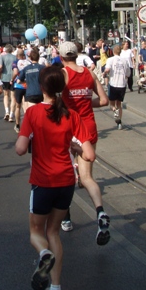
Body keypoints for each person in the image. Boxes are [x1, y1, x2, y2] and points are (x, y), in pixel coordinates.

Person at [15, 66, 95, 290]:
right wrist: (76, 147)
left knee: (36, 232)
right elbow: (90, 154)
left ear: (41, 87)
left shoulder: (33, 113)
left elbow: (19, 149)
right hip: (65, 182)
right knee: (54, 232)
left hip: (42, 181)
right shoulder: (72, 115)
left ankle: (43, 255)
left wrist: (28, 137)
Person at [59, 41, 110, 241]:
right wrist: (85, 101)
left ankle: (67, 218)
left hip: (68, 126)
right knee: (86, 177)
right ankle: (100, 212)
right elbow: (104, 100)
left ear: (62, 58)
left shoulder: (62, 74)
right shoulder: (90, 74)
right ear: (78, 54)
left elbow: (55, 101)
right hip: (88, 126)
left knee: (66, 176)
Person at [104, 44, 130, 130]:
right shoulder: (125, 61)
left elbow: (107, 69)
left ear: (113, 51)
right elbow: (128, 74)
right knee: (119, 104)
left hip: (113, 84)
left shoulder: (110, 60)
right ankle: (119, 122)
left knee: (111, 104)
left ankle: (114, 110)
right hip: (122, 84)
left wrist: (104, 73)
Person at [0, 44, 16, 122]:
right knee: (13, 97)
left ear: (5, 50)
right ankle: (12, 114)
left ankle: (7, 111)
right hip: (13, 77)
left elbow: (0, 67)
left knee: (6, 95)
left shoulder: (2, 57)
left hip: (4, 77)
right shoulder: (15, 57)